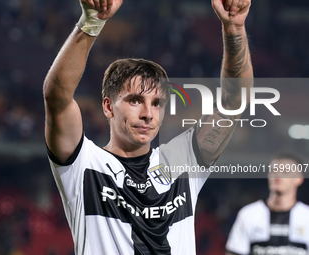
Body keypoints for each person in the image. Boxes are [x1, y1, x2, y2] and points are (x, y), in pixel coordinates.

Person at [43, 0, 253, 254]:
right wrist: (92, 21)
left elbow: (234, 102)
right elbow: (57, 96)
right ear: (108, 107)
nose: (147, 114)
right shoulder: (84, 164)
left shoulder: (181, 161)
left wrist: (234, 29)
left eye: (157, 104)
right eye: (135, 101)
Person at [226, 151, 309, 255]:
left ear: (299, 179)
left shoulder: (306, 217)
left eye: (285, 172)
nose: (278, 175)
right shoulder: (248, 214)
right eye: (274, 170)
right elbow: (235, 252)